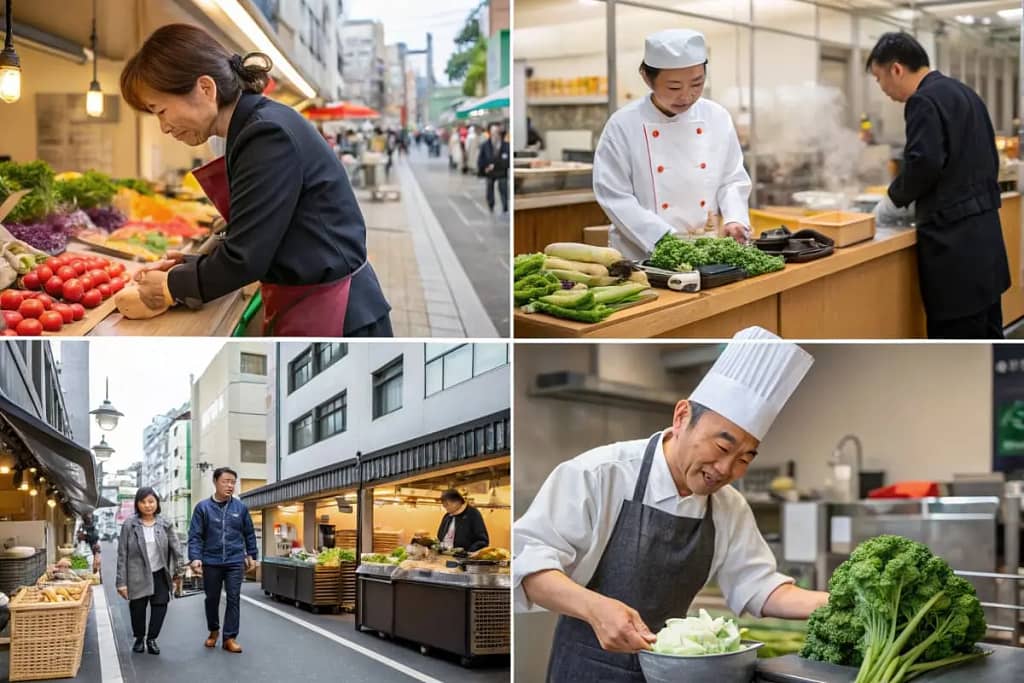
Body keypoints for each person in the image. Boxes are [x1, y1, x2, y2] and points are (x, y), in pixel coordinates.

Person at [514, 327, 829, 681]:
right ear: (682, 418)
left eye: (745, 458)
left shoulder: (728, 506)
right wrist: (594, 608)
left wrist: (834, 603)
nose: (726, 470)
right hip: (588, 668)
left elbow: (759, 586)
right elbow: (527, 566)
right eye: (723, 448)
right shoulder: (600, 474)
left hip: (673, 672)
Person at [120, 24, 392, 337]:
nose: (164, 127)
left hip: (338, 313)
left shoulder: (265, 134)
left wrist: (169, 286)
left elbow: (245, 257)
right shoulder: (253, 126)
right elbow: (259, 235)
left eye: (160, 110)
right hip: (313, 300)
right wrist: (193, 265)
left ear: (205, 89)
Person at [867, 32, 1009, 339]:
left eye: (879, 78)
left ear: (896, 69)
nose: (882, 89)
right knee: (989, 346)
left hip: (955, 252)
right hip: (986, 246)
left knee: (954, 351)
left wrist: (892, 200)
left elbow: (924, 163)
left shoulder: (923, 101)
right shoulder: (965, 93)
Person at [592, 29, 751, 261]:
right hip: (642, 255)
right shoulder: (623, 124)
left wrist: (735, 218)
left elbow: (732, 178)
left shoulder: (717, 117)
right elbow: (614, 195)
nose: (686, 96)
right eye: (674, 87)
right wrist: (664, 240)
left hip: (707, 251)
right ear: (647, 78)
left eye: (697, 83)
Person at [188, 467, 258, 654]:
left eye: (232, 482)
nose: (229, 485)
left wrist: (253, 555)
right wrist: (195, 557)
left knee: (234, 598)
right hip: (211, 560)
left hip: (235, 560)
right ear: (215, 482)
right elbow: (195, 536)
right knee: (212, 598)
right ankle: (214, 631)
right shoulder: (203, 508)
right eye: (225, 481)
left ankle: (230, 638)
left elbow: (249, 533)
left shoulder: (240, 508)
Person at [116, 488, 185, 655]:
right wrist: (121, 582)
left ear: (157, 503)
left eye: (151, 501)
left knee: (160, 606)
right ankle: (139, 638)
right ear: (137, 504)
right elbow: (122, 554)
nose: (148, 505)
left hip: (160, 573)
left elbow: (176, 548)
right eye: (143, 502)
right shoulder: (129, 524)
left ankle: (152, 638)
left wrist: (180, 571)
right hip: (136, 574)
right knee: (137, 608)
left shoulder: (165, 523)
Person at [478, 123, 510, 213]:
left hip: (501, 171)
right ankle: (491, 204)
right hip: (489, 172)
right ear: (490, 133)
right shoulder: (485, 145)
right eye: (493, 132)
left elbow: (507, 160)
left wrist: (495, 165)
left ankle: (505, 206)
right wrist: (484, 168)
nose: (495, 135)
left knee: (503, 188)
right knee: (489, 188)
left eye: (497, 132)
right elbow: (481, 159)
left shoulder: (506, 145)